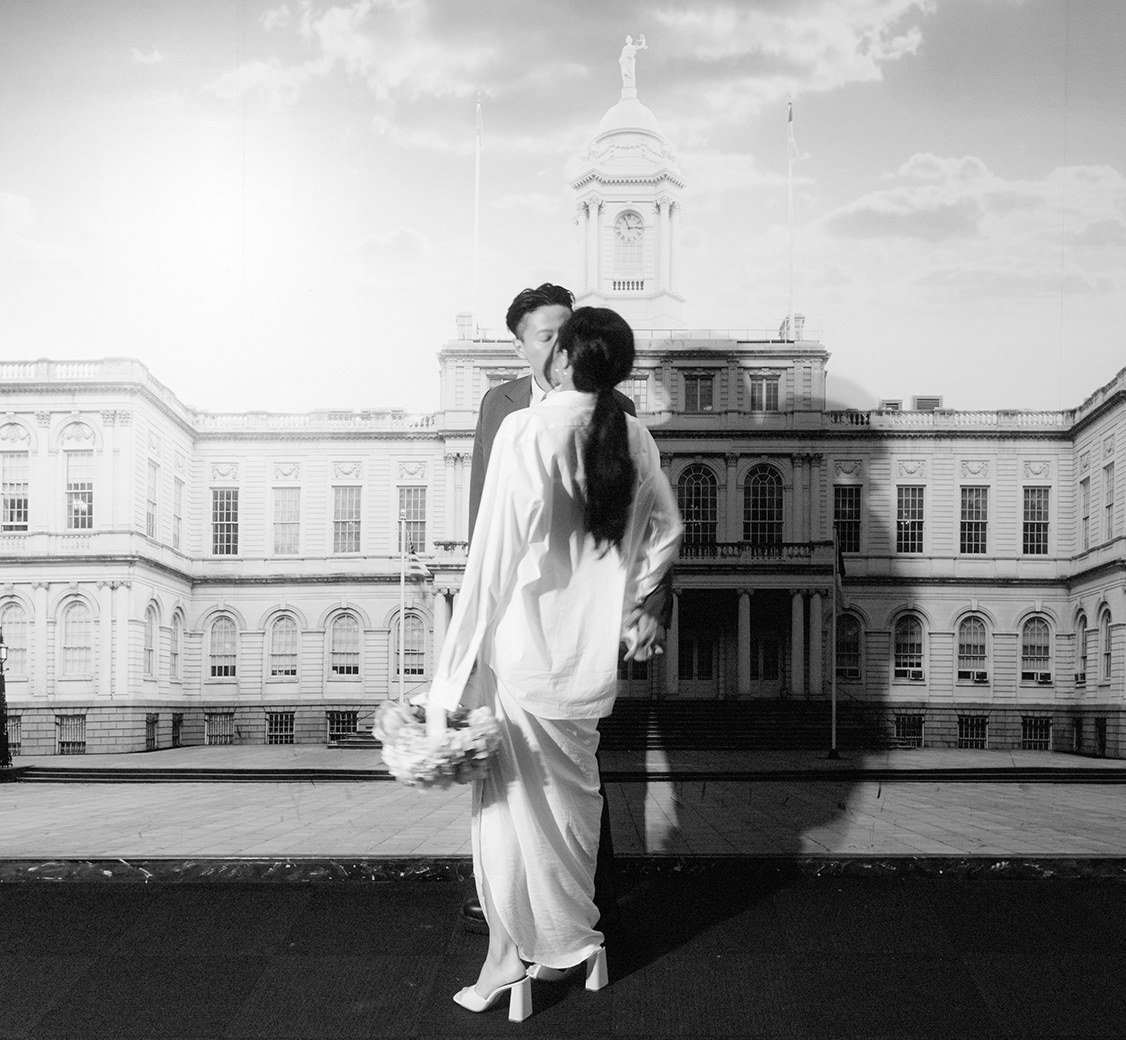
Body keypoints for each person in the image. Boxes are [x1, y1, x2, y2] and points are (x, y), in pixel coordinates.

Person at [426, 307, 683, 1020]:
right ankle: (580, 942)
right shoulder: (633, 434)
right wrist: (633, 605)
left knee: (502, 820)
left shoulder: (525, 430)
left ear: (564, 359)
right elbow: (669, 531)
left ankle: (508, 962)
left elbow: (491, 564)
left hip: (526, 661)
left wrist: (447, 680)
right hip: (589, 668)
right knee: (574, 816)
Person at [463, 284, 670, 936]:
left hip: (577, 618)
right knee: (517, 770)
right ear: (520, 343)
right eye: (544, 334)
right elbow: (484, 519)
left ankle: (574, 910)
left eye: (566, 332)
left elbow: (645, 521)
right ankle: (517, 910)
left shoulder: (617, 414)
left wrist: (645, 604)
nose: (558, 346)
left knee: (577, 774)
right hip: (514, 617)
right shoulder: (501, 408)